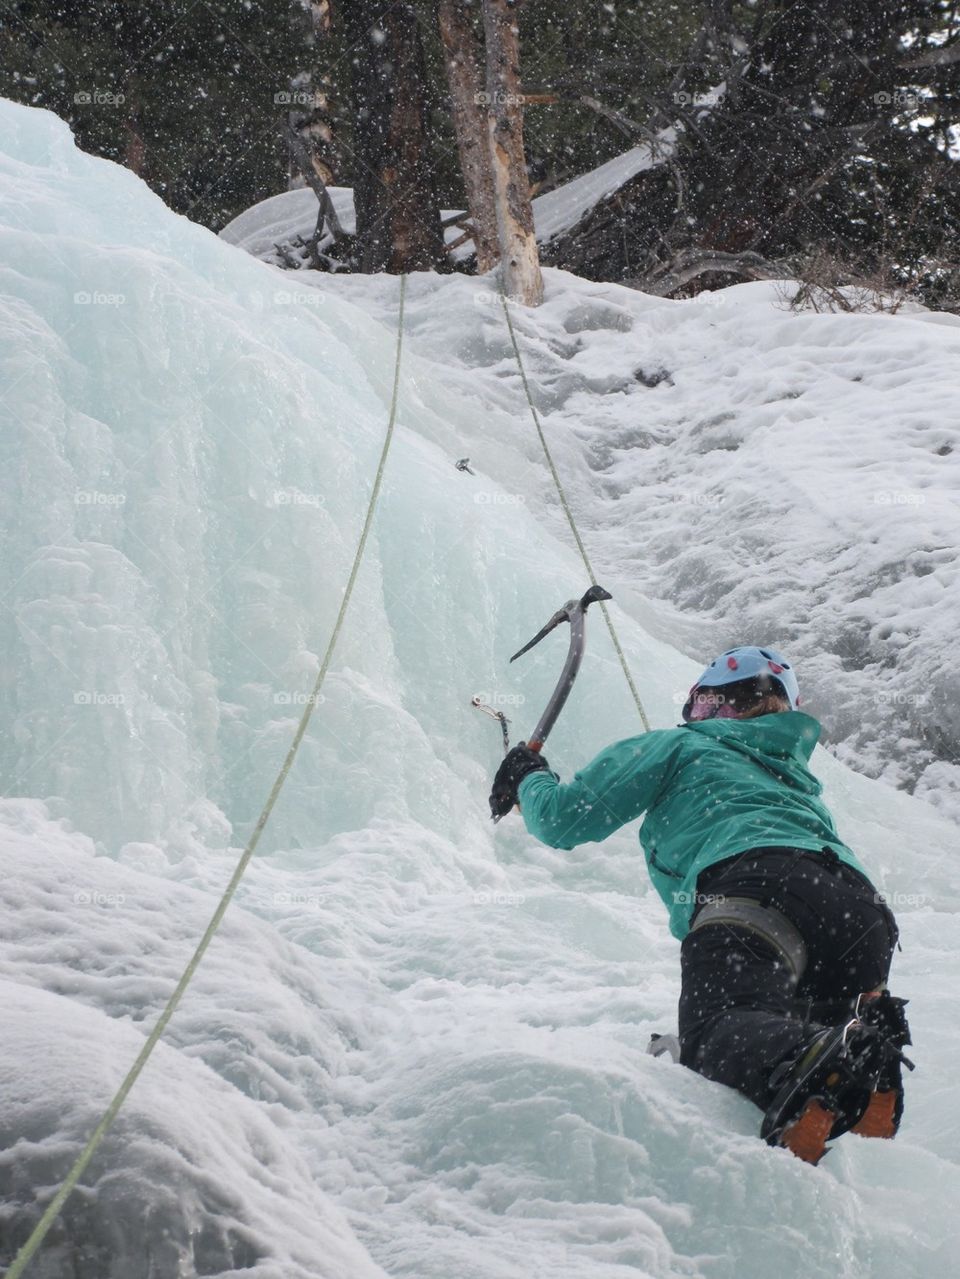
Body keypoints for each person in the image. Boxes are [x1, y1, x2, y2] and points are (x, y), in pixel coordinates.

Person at [489, 645, 912, 1164]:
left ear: (715, 704)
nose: (693, 717)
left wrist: (527, 774)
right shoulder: (797, 782)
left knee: (719, 1029)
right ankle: (870, 1054)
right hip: (860, 916)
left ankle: (830, 1056)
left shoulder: (682, 746)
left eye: (699, 706)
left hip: (758, 886)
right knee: (790, 1072)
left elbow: (565, 818)